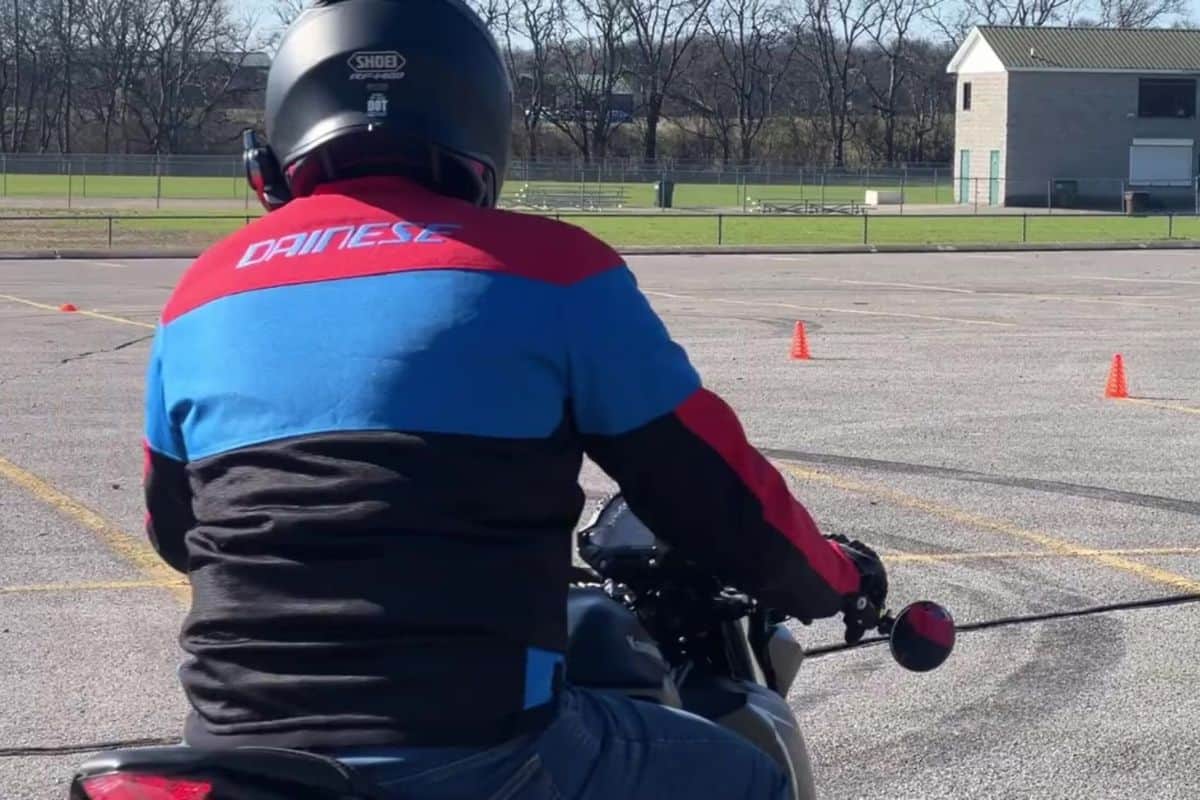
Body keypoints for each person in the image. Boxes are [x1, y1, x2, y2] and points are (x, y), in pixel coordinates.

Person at [141, 0, 888, 796]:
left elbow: (175, 529)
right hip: (470, 748)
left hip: (233, 753)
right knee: (746, 775)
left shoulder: (200, 290)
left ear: (276, 144)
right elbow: (712, 493)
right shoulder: (553, 269)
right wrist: (832, 579)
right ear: (480, 124)